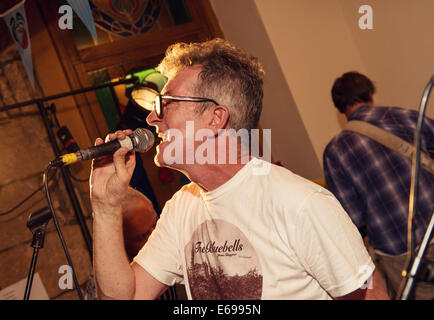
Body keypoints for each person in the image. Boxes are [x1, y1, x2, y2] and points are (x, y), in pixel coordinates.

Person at [90, 39, 389, 300]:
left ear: (215, 118)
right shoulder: (182, 208)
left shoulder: (301, 203)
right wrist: (104, 206)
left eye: (166, 103)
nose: (153, 118)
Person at [323, 71, 434, 299]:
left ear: (339, 108)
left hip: (401, 250)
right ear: (370, 94)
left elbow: (351, 218)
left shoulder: (335, 151)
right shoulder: (405, 116)